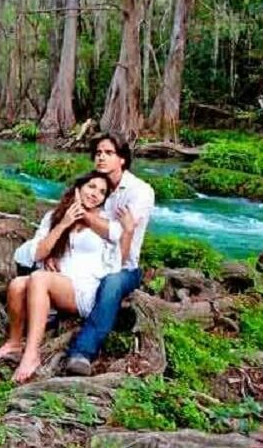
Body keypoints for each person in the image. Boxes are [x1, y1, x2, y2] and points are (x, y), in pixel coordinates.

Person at [0, 171, 125, 383]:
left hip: (85, 290)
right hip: (57, 284)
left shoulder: (107, 223)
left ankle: (32, 354)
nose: (95, 194)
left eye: (102, 192)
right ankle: (15, 342)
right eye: (91, 187)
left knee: (39, 278)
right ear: (78, 188)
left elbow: (117, 259)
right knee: (17, 285)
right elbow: (34, 254)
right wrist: (64, 223)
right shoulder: (54, 216)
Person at [64, 132, 155, 376]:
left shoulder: (140, 191)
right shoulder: (97, 186)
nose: (101, 158)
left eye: (108, 153)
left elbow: (120, 234)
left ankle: (82, 352)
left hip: (123, 266)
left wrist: (86, 215)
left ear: (122, 159)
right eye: (98, 153)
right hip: (89, 262)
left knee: (112, 282)